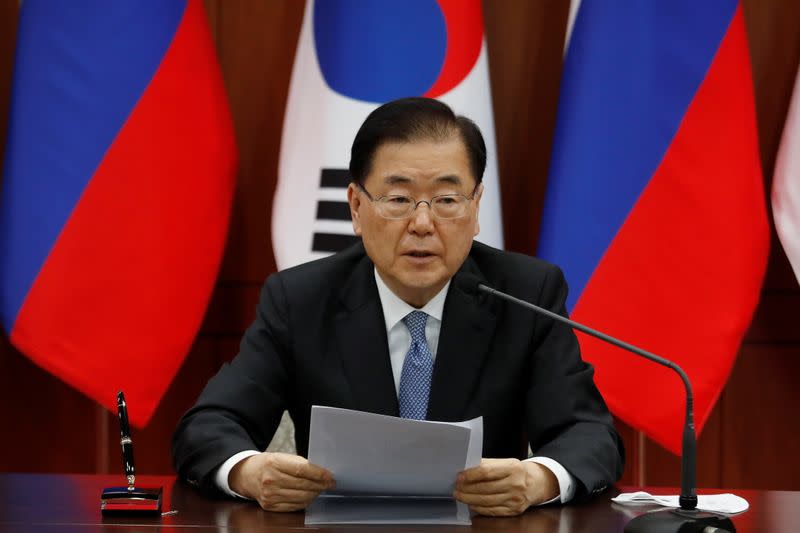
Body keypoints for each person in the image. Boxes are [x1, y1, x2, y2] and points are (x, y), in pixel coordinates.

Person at [172, 97, 624, 517]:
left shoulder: (526, 294)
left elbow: (589, 434)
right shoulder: (302, 300)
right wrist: (249, 472)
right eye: (399, 200)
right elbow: (210, 423)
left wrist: (538, 479)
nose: (423, 224)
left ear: (476, 205)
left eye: (447, 200)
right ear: (356, 206)